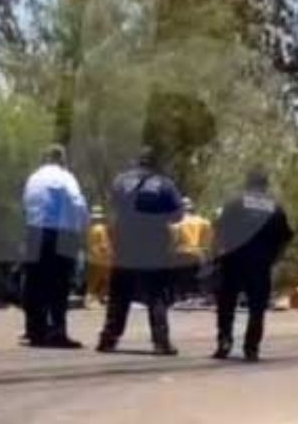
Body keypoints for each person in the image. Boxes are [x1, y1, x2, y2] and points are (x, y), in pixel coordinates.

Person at [98, 147, 184, 356]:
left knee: (119, 293)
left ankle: (108, 338)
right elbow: (178, 216)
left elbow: (111, 208)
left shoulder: (121, 181)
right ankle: (161, 342)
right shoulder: (164, 184)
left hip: (125, 242)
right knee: (156, 294)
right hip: (153, 243)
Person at [212, 169, 294, 362]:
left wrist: (218, 253)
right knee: (257, 307)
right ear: (265, 185)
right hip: (260, 264)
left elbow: (219, 229)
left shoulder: (235, 203)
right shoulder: (275, 208)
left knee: (226, 304)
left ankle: (224, 342)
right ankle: (251, 348)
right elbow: (285, 237)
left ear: (247, 183)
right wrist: (274, 258)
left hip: (233, 260)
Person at [21, 144, 89, 349]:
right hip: (61, 233)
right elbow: (77, 203)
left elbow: (25, 205)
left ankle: (35, 330)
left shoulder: (33, 178)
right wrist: (82, 226)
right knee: (59, 285)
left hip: (34, 231)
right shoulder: (65, 177)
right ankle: (57, 332)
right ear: (62, 160)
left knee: (34, 283)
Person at [172, 197, 213, 301]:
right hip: (198, 254)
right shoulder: (204, 222)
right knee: (199, 276)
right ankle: (200, 296)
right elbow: (208, 242)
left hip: (181, 253)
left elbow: (173, 241)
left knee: (180, 277)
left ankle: (182, 296)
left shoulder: (176, 224)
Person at [84, 205, 112, 306]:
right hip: (102, 258)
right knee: (108, 279)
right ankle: (97, 298)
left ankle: (90, 299)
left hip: (91, 256)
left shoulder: (89, 229)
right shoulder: (101, 229)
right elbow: (104, 245)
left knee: (93, 281)